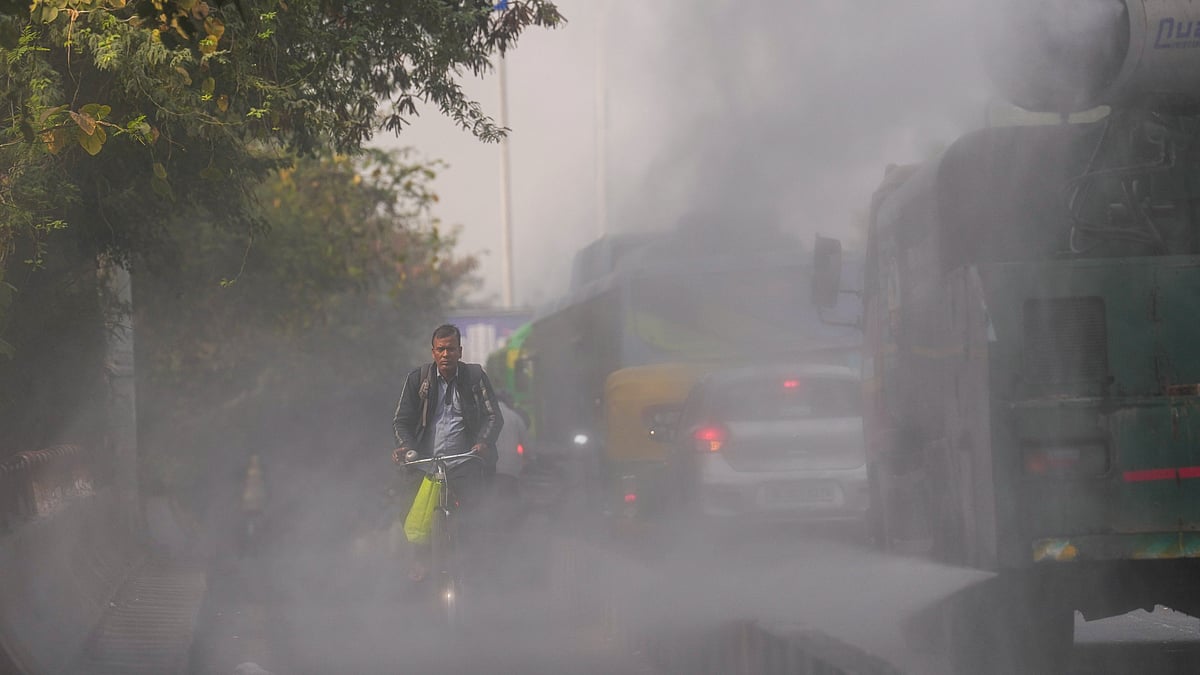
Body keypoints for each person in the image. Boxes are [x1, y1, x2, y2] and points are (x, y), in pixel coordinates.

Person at [392, 324, 503, 582]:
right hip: (426, 464)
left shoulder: (475, 377)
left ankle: (475, 567)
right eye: (440, 349)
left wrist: (483, 442)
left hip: (464, 461)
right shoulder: (418, 379)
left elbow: (493, 416)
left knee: (477, 513)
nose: (446, 354)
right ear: (433, 352)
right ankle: (419, 560)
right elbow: (401, 421)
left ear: (460, 351)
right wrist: (406, 446)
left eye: (451, 349)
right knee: (409, 509)